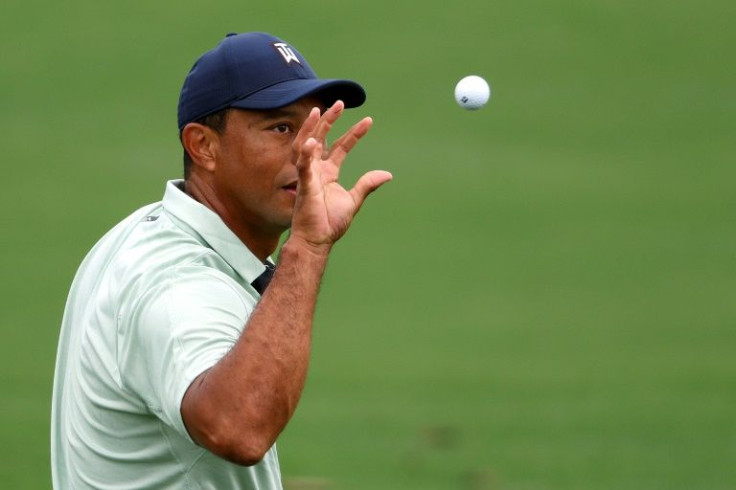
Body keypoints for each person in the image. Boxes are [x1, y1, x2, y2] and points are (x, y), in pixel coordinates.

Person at [50, 31, 392, 489]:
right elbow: (238, 427)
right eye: (281, 128)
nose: (307, 150)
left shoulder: (144, 232)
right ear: (203, 146)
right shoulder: (177, 282)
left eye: (312, 129)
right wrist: (308, 247)